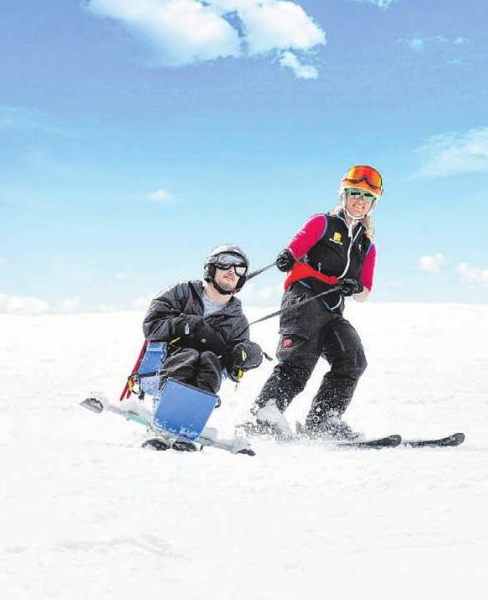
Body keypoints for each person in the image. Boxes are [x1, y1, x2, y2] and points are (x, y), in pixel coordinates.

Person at [250, 165, 382, 440]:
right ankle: (265, 414)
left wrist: (354, 285)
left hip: (333, 309)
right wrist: (287, 256)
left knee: (352, 359)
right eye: (354, 193)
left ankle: (324, 420)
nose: (359, 200)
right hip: (304, 298)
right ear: (343, 195)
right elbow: (294, 248)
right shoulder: (322, 223)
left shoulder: (366, 246)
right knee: (299, 360)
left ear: (373, 204)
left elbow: (364, 293)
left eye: (367, 196)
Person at [143, 245, 263, 397]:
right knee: (188, 355)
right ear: (211, 268)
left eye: (240, 268)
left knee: (209, 360)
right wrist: (185, 324)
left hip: (208, 373)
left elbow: (232, 370)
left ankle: (196, 408)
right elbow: (152, 326)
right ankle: (170, 402)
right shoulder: (183, 292)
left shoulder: (237, 321)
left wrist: (247, 355)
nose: (232, 270)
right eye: (225, 262)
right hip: (164, 364)